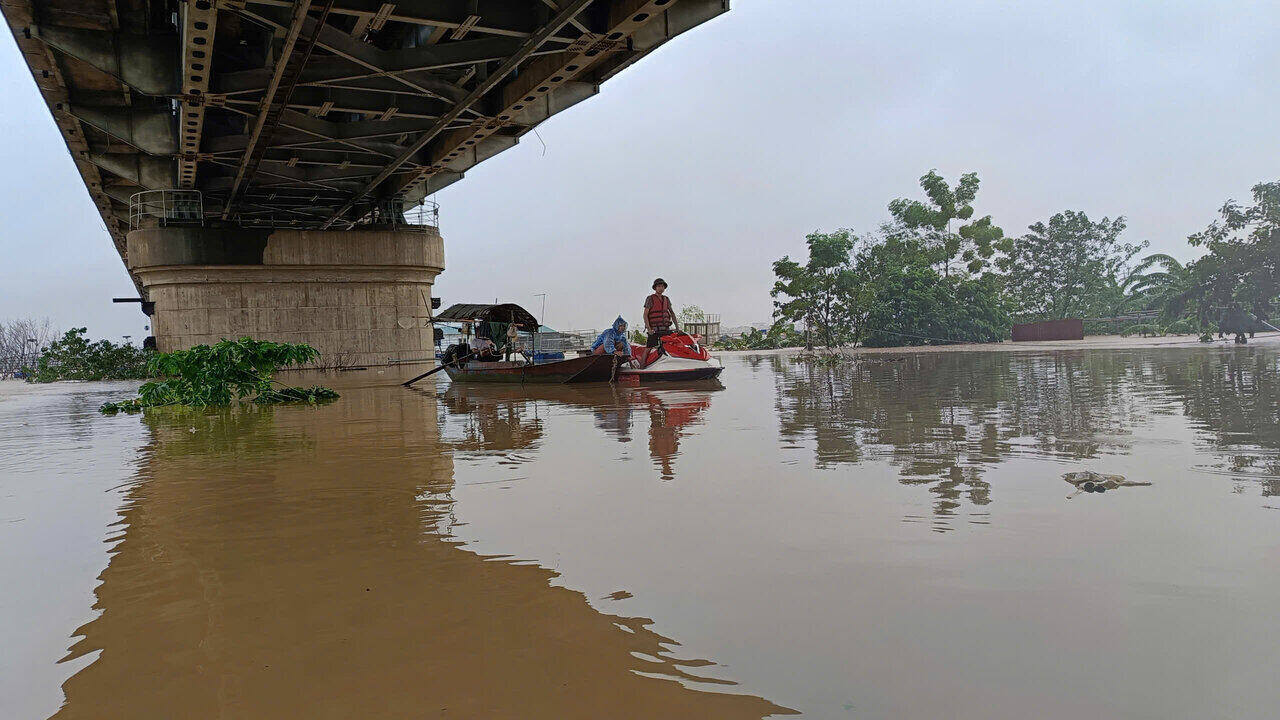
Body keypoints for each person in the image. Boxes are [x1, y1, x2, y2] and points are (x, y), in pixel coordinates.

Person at [643, 278, 680, 348]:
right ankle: (643, 359)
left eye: (662, 286)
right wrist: (649, 329)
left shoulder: (666, 299)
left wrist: (677, 328)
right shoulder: (650, 298)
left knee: (670, 347)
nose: (661, 288)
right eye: (659, 286)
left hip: (665, 329)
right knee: (649, 348)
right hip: (654, 330)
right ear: (655, 288)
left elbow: (672, 313)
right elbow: (645, 315)